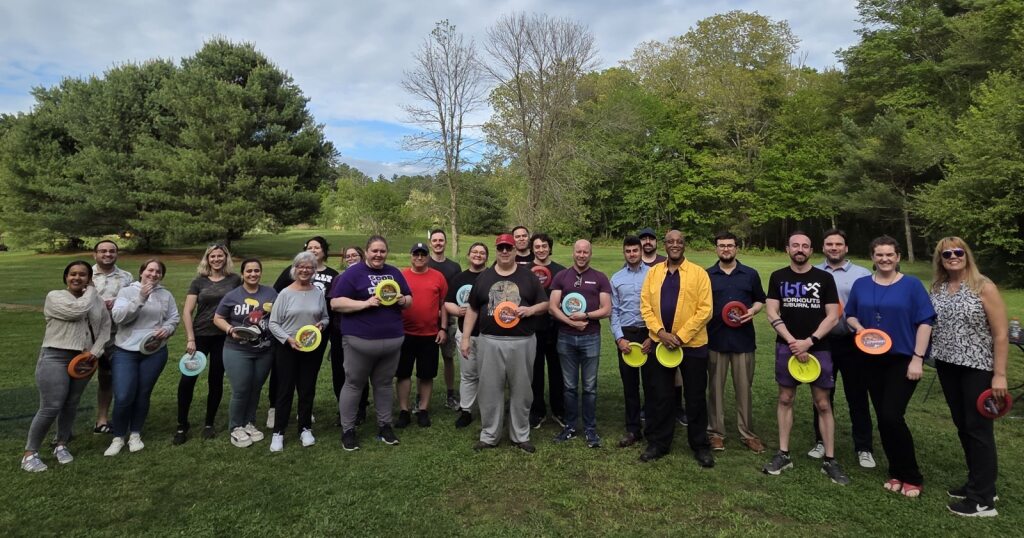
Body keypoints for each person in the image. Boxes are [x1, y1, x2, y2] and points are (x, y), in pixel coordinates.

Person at [845, 236, 934, 497]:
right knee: (883, 419)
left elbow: (926, 322)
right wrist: (859, 328)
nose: (884, 259)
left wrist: (918, 358)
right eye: (879, 255)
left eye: (889, 255)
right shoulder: (862, 284)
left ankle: (912, 476)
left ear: (898, 257)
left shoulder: (912, 285)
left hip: (902, 359)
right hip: (871, 359)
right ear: (872, 257)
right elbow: (849, 313)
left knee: (892, 416)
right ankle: (895, 472)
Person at [929, 237, 1008, 517]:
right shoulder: (938, 288)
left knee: (978, 429)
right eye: (946, 253)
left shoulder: (984, 287)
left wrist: (999, 375)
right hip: (948, 365)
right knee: (963, 425)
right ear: (940, 259)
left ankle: (983, 501)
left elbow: (1000, 334)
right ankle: (980, 483)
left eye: (958, 252)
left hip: (978, 367)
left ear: (966, 255)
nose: (953, 256)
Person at [762, 232, 848, 485]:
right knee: (785, 398)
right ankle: (783, 454)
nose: (800, 249)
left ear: (812, 250)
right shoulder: (778, 277)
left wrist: (809, 341)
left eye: (805, 246)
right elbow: (771, 310)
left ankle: (830, 460)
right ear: (787, 249)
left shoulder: (824, 278)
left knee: (822, 403)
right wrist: (792, 341)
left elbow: (833, 315)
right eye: (795, 245)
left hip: (819, 348)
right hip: (786, 346)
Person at [460, 233, 548, 453]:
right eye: (501, 248)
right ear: (496, 250)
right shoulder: (484, 277)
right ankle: (489, 435)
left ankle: (520, 434)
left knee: (522, 389)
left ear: (515, 250)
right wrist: (465, 337)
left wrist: (530, 310)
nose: (505, 251)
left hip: (523, 341)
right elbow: (472, 308)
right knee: (489, 389)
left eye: (509, 248)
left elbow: (544, 303)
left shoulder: (528, 277)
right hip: (490, 341)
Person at [21, 261, 111, 472]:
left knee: (71, 403)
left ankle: (61, 444)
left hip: (84, 360)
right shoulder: (55, 297)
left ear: (89, 278)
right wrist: (91, 292)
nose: (77, 278)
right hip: (55, 356)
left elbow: (105, 328)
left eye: (82, 275)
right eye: (73, 274)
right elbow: (76, 312)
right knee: (51, 406)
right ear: (66, 277)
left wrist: (94, 353)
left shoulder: (96, 301)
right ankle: (30, 453)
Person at [637, 230, 714, 467]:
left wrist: (679, 336)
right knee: (661, 395)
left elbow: (705, 310)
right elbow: (645, 306)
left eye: (679, 241)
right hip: (661, 345)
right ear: (665, 245)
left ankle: (700, 445)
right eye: (670, 242)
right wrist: (660, 333)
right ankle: (659, 443)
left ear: (684, 245)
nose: (675, 245)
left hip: (692, 346)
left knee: (695, 397)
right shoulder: (653, 273)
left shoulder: (699, 274)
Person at [330, 235, 412, 451]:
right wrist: (364, 304)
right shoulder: (353, 273)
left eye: (382, 251)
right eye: (374, 251)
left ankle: (384, 426)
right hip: (359, 341)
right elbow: (336, 303)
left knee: (384, 384)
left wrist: (403, 300)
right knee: (354, 384)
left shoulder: (394, 272)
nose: (378, 255)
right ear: (366, 252)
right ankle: (348, 430)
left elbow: (408, 298)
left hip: (392, 340)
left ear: (387, 252)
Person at [808, 229, 875, 467]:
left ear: (846, 248)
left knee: (857, 395)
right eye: (829, 244)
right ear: (823, 247)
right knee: (822, 395)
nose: (834, 247)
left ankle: (864, 447)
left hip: (853, 343)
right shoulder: (813, 272)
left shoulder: (862, 274)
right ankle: (821, 441)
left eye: (838, 244)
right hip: (822, 343)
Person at [105, 258, 180, 456]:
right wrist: (140, 298)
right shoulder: (127, 291)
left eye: (158, 272)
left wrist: (167, 328)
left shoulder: (165, 294)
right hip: (125, 351)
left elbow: (174, 317)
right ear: (142, 272)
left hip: (154, 352)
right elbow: (119, 317)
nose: (153, 275)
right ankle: (118, 436)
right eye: (150, 270)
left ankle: (135, 434)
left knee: (142, 394)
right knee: (123, 395)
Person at [267, 236, 337, 430]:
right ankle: (278, 432)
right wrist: (287, 339)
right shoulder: (285, 293)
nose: (305, 270)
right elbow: (273, 322)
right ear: (295, 269)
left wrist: (321, 325)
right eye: (301, 267)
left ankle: (305, 428)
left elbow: (325, 317)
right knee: (285, 389)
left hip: (312, 345)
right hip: (288, 346)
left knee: (307, 389)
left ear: (314, 270)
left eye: (309, 268)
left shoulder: (317, 293)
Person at [174, 244, 242, 444]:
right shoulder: (199, 282)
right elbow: (187, 311)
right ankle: (181, 424)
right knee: (188, 379)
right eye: (213, 256)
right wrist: (190, 338)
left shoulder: (235, 280)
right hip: (200, 336)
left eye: (220, 256)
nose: (217, 259)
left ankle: (209, 423)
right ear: (207, 258)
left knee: (216, 379)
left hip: (223, 336)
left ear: (226, 258)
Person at [705, 232, 766, 453]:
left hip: (743, 341)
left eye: (730, 245)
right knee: (715, 390)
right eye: (721, 246)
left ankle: (747, 434)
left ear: (737, 248)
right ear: (716, 249)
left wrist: (753, 310)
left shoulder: (750, 274)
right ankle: (716, 433)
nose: (726, 249)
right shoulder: (707, 275)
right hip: (715, 339)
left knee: (744, 389)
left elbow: (761, 299)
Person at [549, 239, 611, 448]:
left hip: (591, 337)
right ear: (573, 253)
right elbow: (553, 307)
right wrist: (571, 323)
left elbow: (606, 309)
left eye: (585, 252)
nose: (582, 255)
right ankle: (570, 426)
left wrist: (586, 315)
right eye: (578, 251)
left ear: (590, 254)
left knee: (590, 387)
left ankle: (590, 429)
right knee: (569, 387)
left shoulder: (599, 278)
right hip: (566, 337)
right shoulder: (561, 277)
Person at [213, 258, 277, 448]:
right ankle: (236, 427)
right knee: (241, 389)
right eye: (249, 271)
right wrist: (230, 330)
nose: (253, 274)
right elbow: (218, 317)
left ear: (261, 273)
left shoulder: (271, 293)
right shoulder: (233, 295)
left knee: (255, 388)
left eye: (256, 271)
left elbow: (279, 315)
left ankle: (249, 422)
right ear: (243, 274)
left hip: (264, 350)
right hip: (237, 349)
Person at [395, 242, 449, 429]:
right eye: (416, 254)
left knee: (426, 374)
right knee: (403, 374)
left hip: (429, 333)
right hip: (404, 333)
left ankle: (423, 409)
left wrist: (443, 328)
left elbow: (443, 304)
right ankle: (404, 410)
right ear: (411, 255)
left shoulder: (438, 277)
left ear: (427, 256)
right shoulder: (401, 275)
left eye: (423, 254)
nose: (419, 257)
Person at [609, 236, 651, 448]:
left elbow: (659, 306)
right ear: (624, 253)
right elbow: (613, 311)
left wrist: (653, 336)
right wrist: (619, 338)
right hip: (627, 335)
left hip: (649, 334)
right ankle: (633, 429)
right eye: (628, 251)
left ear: (641, 251)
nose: (632, 254)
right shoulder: (616, 278)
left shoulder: (653, 275)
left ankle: (653, 428)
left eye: (636, 250)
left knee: (653, 384)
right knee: (630, 385)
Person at [445, 242, 489, 428]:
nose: (478, 255)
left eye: (482, 253)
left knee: (490, 376)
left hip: (489, 334)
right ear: (469, 255)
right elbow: (447, 302)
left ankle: (489, 411)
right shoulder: (459, 278)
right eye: (474, 252)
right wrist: (458, 311)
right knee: (468, 374)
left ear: (486, 257)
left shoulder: (492, 276)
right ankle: (466, 411)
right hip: (466, 333)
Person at [91, 240, 132, 434]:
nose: (107, 254)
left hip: (116, 336)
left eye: (111, 251)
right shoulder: (85, 273)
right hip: (87, 336)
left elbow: (131, 300)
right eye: (103, 251)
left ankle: (103, 419)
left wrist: (116, 302)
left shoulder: (126, 277)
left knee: (108, 378)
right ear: (95, 254)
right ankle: (64, 426)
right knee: (75, 381)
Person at [528, 232, 567, 429]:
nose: (541, 249)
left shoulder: (561, 272)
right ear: (532, 249)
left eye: (544, 246)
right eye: (537, 246)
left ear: (550, 247)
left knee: (557, 371)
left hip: (556, 329)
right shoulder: (525, 271)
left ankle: (559, 410)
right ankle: (537, 411)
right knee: (534, 372)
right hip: (532, 329)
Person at [330, 246, 370, 426]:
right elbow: (333, 305)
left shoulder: (368, 278)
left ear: (362, 257)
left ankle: (361, 407)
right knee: (340, 372)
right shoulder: (339, 278)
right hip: (340, 331)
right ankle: (343, 409)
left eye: (355, 255)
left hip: (363, 331)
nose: (351, 258)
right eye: (348, 256)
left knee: (360, 371)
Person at [426, 229, 462, 411]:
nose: (438, 243)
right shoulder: (425, 262)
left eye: (441, 240)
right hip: (428, 320)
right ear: (430, 243)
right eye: (435, 240)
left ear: (445, 243)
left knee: (448, 357)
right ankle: (421, 397)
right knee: (426, 359)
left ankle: (450, 394)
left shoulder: (454, 267)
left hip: (449, 320)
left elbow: (458, 293)